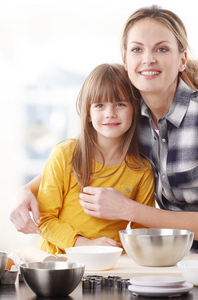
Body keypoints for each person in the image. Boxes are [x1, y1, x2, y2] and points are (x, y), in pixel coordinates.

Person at [10, 5, 198, 255]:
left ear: (182, 59)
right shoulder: (125, 114)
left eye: (161, 49)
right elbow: (74, 160)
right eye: (137, 50)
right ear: (126, 61)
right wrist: (24, 191)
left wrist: (128, 210)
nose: (148, 59)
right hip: (185, 258)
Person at [33, 63, 155, 254]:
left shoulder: (142, 170)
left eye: (120, 104)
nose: (110, 113)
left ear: (134, 109)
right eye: (100, 105)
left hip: (109, 268)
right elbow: (45, 220)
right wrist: (85, 245)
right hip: (60, 266)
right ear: (88, 114)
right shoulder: (64, 155)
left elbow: (141, 234)